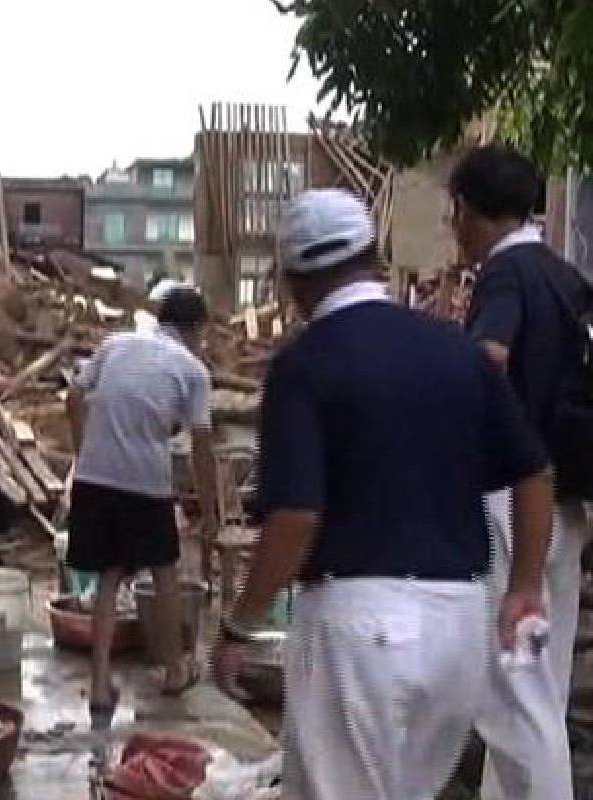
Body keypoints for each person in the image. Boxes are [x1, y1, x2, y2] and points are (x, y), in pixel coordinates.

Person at [211, 188, 554, 799]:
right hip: (458, 624)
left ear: (295, 282)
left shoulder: (306, 364)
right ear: (373, 257)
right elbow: (534, 472)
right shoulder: (456, 350)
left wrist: (240, 625)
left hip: (359, 627)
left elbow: (294, 517)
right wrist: (525, 587)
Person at [451, 144, 593, 799]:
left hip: (511, 504)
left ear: (467, 212)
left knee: (514, 697)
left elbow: (488, 358)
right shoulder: (565, 276)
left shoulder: (505, 274)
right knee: (540, 682)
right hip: (565, 499)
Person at [66, 283, 220, 714]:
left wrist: (83, 452)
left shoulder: (117, 343)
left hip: (95, 476)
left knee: (109, 576)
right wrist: (209, 511)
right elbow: (203, 446)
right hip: (144, 483)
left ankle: (99, 683)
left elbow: (73, 394)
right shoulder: (192, 370)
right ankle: (174, 670)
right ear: (196, 330)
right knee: (165, 571)